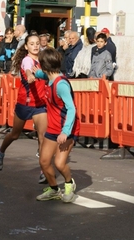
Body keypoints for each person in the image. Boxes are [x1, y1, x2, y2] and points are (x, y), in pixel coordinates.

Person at [0, 34, 47, 175]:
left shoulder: (43, 59)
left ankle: (44, 169)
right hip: (25, 102)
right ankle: (0, 151)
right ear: (26, 46)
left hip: (40, 104)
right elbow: (28, 68)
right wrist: (29, 75)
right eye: (32, 44)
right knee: (15, 135)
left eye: (37, 43)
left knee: (42, 136)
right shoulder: (26, 60)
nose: (35, 46)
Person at [35, 48, 80, 202]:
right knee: (44, 161)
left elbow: (72, 109)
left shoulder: (61, 85)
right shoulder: (49, 76)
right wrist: (31, 73)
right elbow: (39, 74)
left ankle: (69, 184)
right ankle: (54, 189)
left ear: (45, 66)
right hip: (52, 128)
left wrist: (65, 132)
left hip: (65, 129)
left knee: (59, 164)